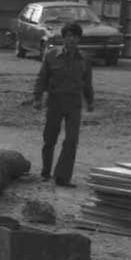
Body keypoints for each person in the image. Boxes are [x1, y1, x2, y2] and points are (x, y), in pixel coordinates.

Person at [33, 21, 94, 186]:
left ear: (79, 39)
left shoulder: (84, 59)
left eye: (75, 36)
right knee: (50, 139)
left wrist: (90, 101)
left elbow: (87, 83)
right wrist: (37, 98)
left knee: (71, 140)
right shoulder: (51, 55)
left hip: (74, 104)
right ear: (64, 38)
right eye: (69, 36)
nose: (72, 40)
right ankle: (46, 172)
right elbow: (42, 78)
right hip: (55, 102)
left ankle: (62, 177)